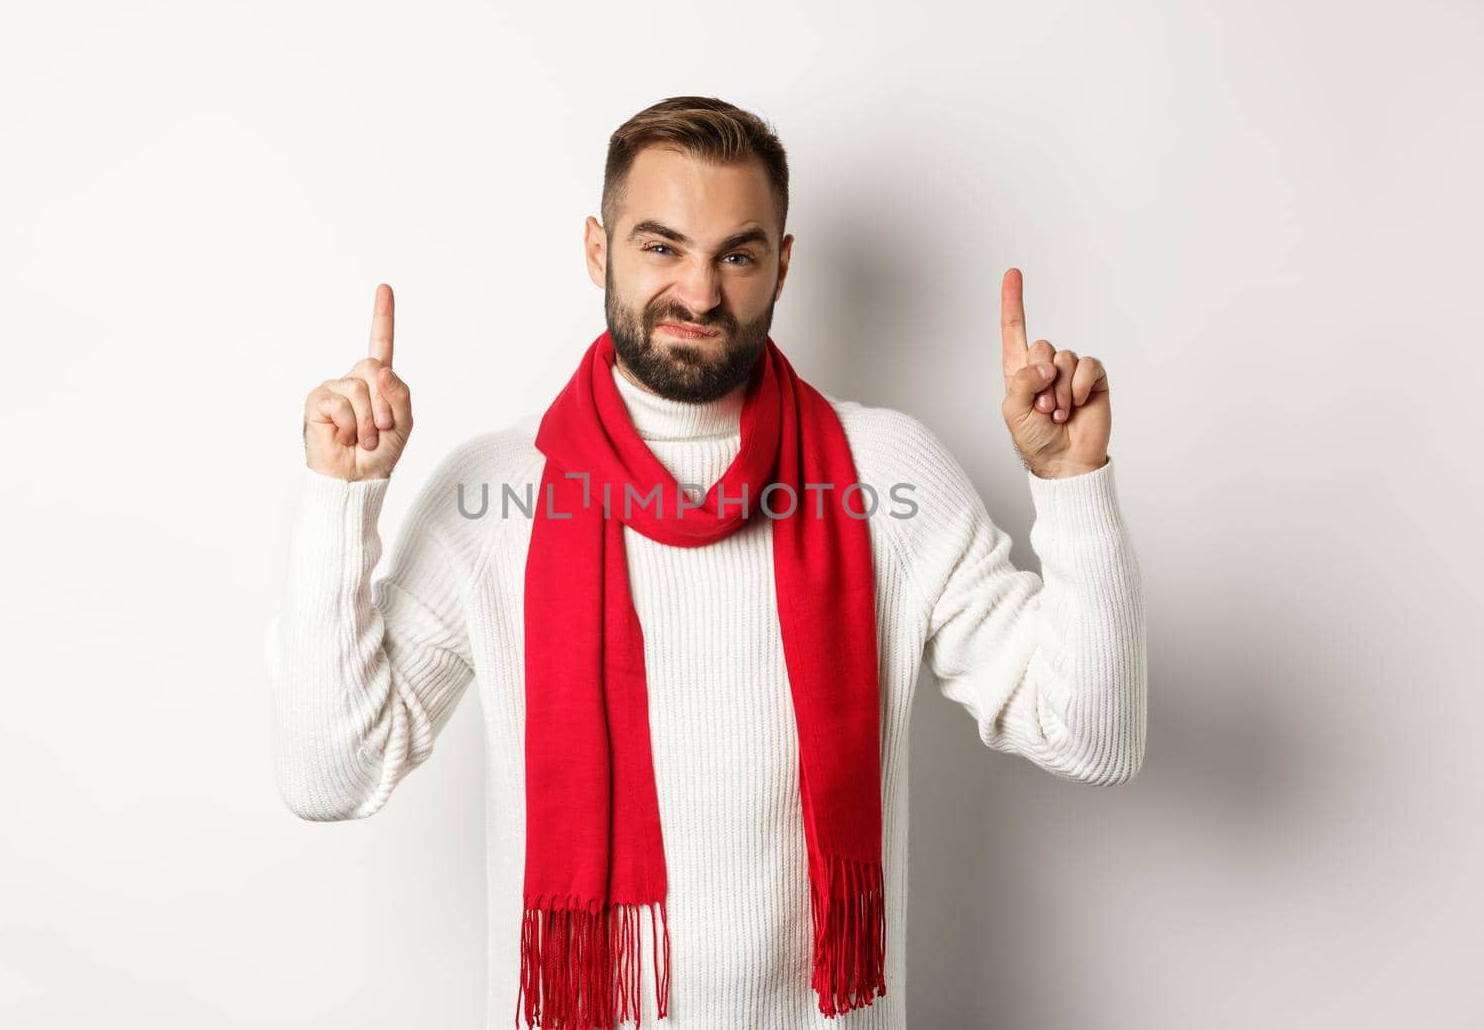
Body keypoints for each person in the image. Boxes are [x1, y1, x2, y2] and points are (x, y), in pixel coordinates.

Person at [265, 95, 1146, 1029]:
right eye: (661, 246)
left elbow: (1090, 739)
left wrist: (1073, 483)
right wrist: (340, 497)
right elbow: (332, 776)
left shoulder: (888, 475)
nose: (699, 291)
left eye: (737, 252)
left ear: (782, 264)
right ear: (599, 250)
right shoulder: (496, 494)